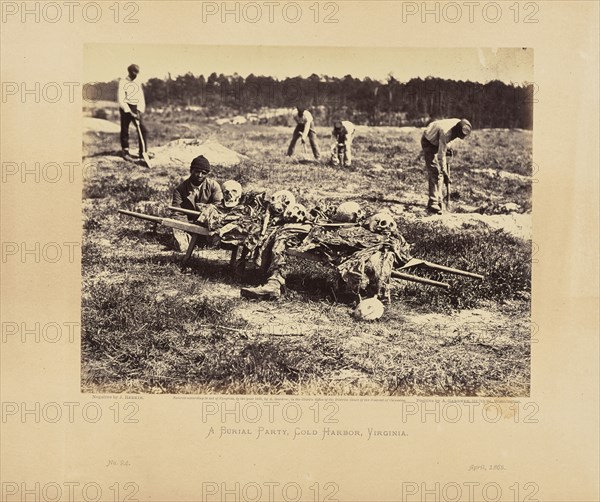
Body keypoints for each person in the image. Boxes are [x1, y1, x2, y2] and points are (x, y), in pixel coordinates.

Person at [171, 155, 223, 252]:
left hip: (208, 224)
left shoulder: (213, 186)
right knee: (183, 247)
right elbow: (177, 213)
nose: (200, 175)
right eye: (197, 172)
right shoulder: (180, 190)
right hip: (188, 225)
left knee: (215, 243)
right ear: (191, 170)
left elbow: (219, 207)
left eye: (204, 173)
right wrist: (190, 228)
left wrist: (204, 221)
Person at [421, 118, 472, 214]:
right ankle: (433, 202)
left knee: (439, 173)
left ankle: (439, 199)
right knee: (435, 172)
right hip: (429, 141)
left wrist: (449, 147)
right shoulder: (445, 133)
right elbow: (441, 155)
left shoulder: (460, 123)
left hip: (439, 139)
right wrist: (445, 172)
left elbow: (448, 141)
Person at [118, 64, 150, 160]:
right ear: (129, 71)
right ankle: (125, 151)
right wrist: (129, 112)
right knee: (125, 130)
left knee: (143, 130)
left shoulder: (137, 82)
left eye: (137, 72)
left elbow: (141, 98)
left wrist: (139, 111)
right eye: (134, 72)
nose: (136, 74)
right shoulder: (123, 82)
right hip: (125, 108)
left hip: (136, 108)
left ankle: (143, 153)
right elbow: (121, 99)